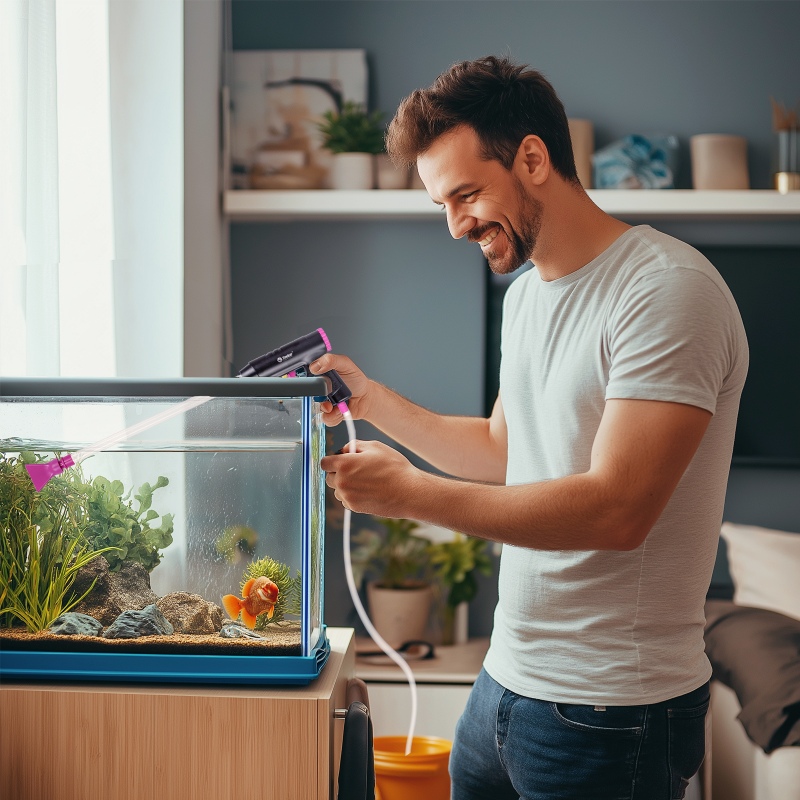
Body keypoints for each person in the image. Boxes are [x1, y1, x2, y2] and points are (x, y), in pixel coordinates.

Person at [312, 56, 748, 800]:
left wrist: (410, 496)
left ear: (534, 158)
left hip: (612, 709)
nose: (456, 226)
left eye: (468, 194)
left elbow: (618, 511)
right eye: (442, 205)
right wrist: (373, 399)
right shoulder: (528, 299)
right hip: (505, 684)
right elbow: (503, 451)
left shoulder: (667, 292)